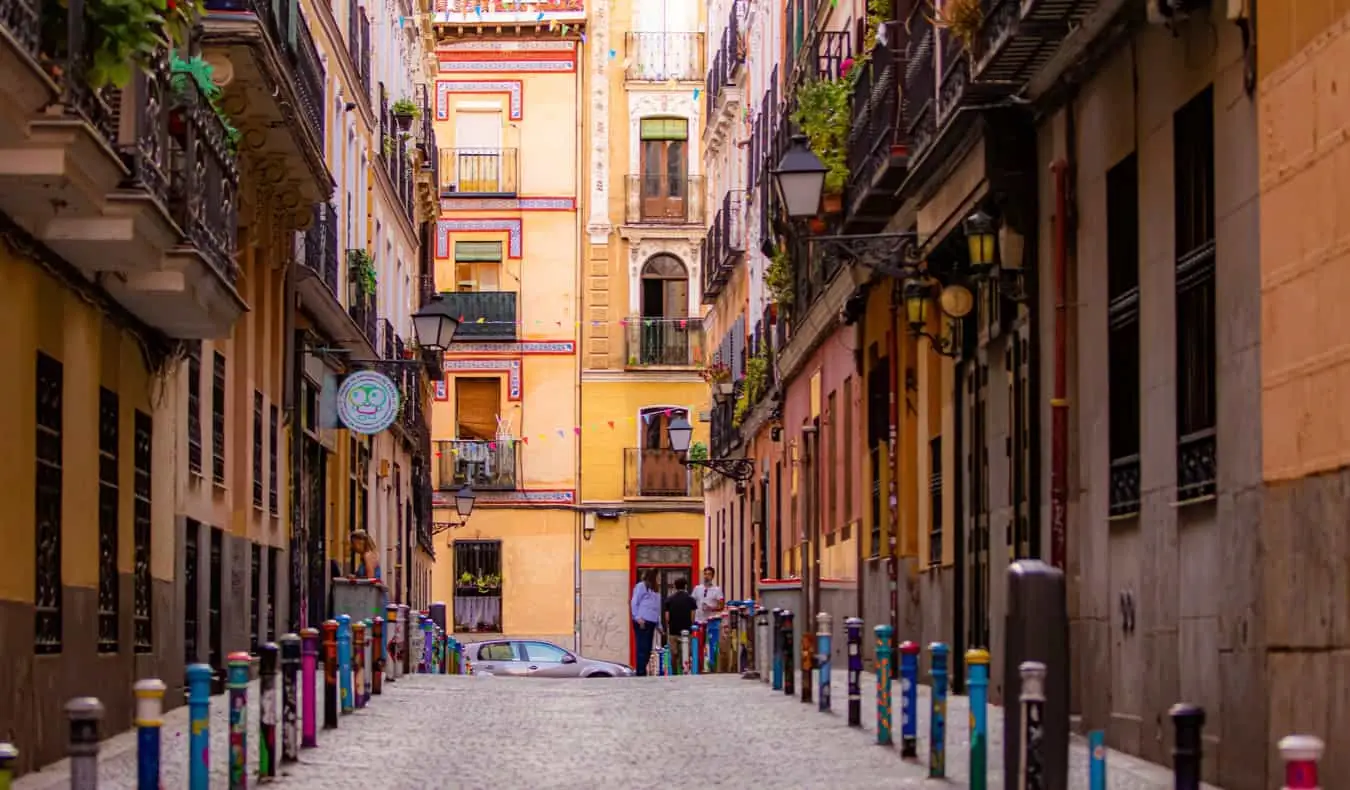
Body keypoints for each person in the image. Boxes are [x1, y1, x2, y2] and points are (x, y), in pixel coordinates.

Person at [692, 566, 725, 670]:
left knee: (712, 644)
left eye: (709, 574)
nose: (707, 576)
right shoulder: (697, 589)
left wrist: (711, 608)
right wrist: (692, 621)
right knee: (698, 646)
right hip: (698, 622)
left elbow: (721, 606)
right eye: (705, 574)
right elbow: (692, 604)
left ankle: (712, 666)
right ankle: (698, 667)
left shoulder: (717, 590)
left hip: (711, 622)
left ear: (713, 576)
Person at [630, 569, 662, 676]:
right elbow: (634, 602)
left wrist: (659, 624)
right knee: (642, 648)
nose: (660, 578)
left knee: (648, 649)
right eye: (658, 576)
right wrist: (637, 617)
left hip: (652, 622)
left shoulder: (656, 590)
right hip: (642, 621)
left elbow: (657, 608)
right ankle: (640, 672)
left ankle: (643, 669)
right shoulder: (641, 586)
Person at [662, 578, 697, 674]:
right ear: (685, 586)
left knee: (674, 654)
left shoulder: (669, 600)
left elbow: (667, 618)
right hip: (686, 631)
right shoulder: (691, 600)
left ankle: (674, 673)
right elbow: (692, 617)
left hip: (673, 631)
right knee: (685, 652)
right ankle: (684, 671)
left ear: (674, 586)